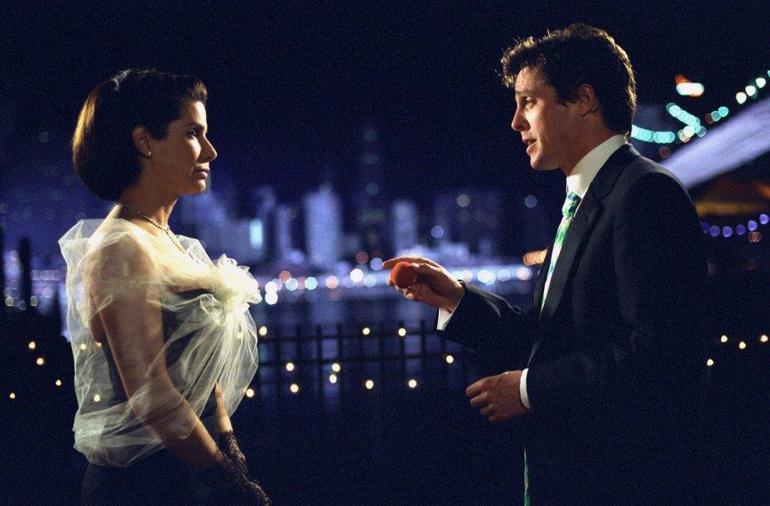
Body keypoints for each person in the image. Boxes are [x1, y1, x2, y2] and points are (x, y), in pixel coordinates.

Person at [385, 24, 706, 504]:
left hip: (619, 480)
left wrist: (528, 390)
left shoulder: (645, 193)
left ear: (584, 100)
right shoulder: (588, 198)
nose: (515, 122)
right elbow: (548, 338)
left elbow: (663, 355)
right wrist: (456, 299)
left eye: (529, 102)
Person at [59, 69, 271, 505]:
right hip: (145, 484)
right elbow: (151, 394)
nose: (210, 150)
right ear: (145, 142)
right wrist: (229, 482)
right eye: (193, 133)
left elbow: (201, 375)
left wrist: (231, 453)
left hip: (193, 466)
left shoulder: (172, 242)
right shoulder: (121, 246)